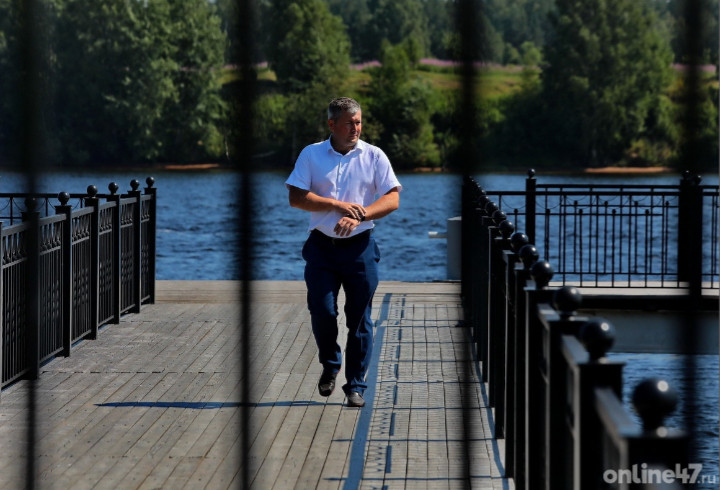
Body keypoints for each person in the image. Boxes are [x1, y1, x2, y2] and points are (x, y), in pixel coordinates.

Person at [285, 97, 401, 408]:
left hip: (361, 249)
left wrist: (361, 214)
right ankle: (330, 364)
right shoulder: (312, 154)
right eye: (349, 122)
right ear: (332, 124)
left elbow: (392, 198)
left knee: (360, 319)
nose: (355, 128)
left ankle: (356, 386)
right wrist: (336, 205)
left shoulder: (374, 155)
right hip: (321, 248)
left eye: (359, 122)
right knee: (322, 311)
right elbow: (296, 198)